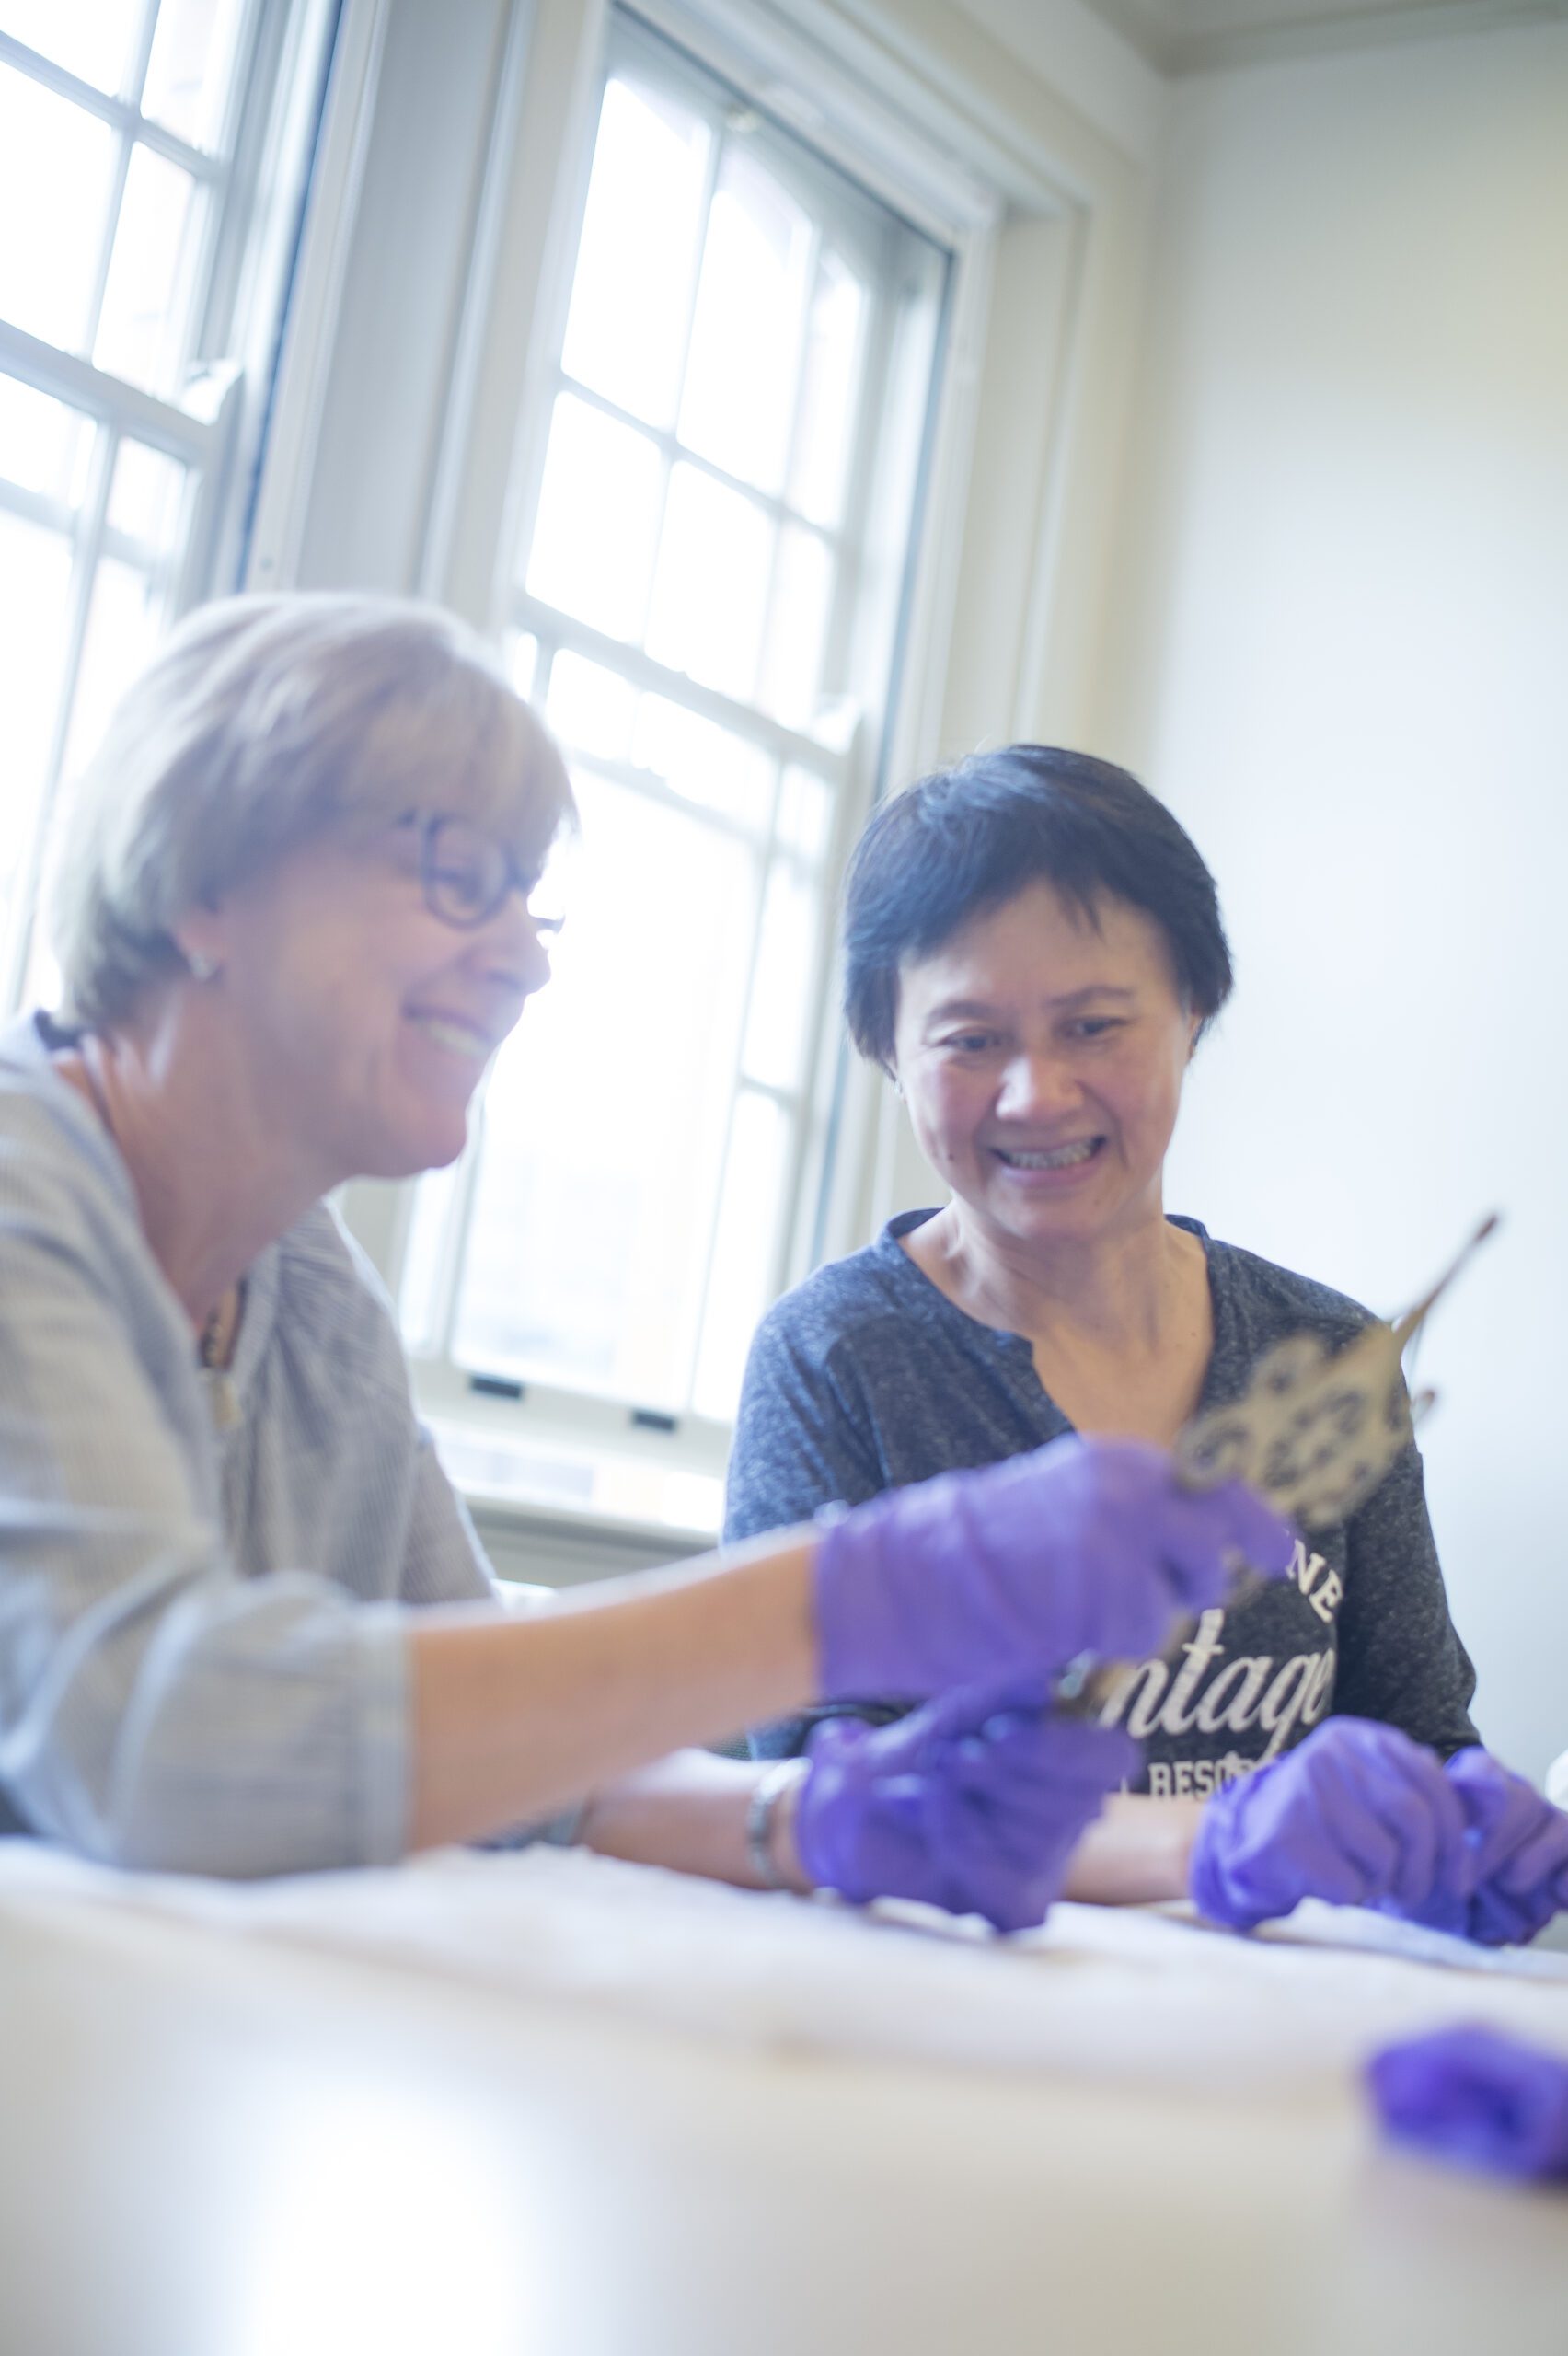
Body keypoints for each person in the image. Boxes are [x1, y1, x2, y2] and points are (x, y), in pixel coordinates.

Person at [0, 598, 1293, 1928]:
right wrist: (849, 1594)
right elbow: (148, 1740)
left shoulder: (307, 1291)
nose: (519, 961)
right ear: (206, 886)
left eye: (526, 900)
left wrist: (816, 1822)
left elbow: (523, 1771)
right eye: (458, 879)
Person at [728, 746, 1568, 1943]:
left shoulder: (1329, 1358)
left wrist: (1463, 1836)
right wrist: (1217, 1840)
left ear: (1193, 1010)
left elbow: (1418, 1740)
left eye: (1093, 1026)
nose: (1035, 1095)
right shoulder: (837, 1357)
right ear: (884, 1046)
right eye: (970, 1040)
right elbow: (829, 1789)